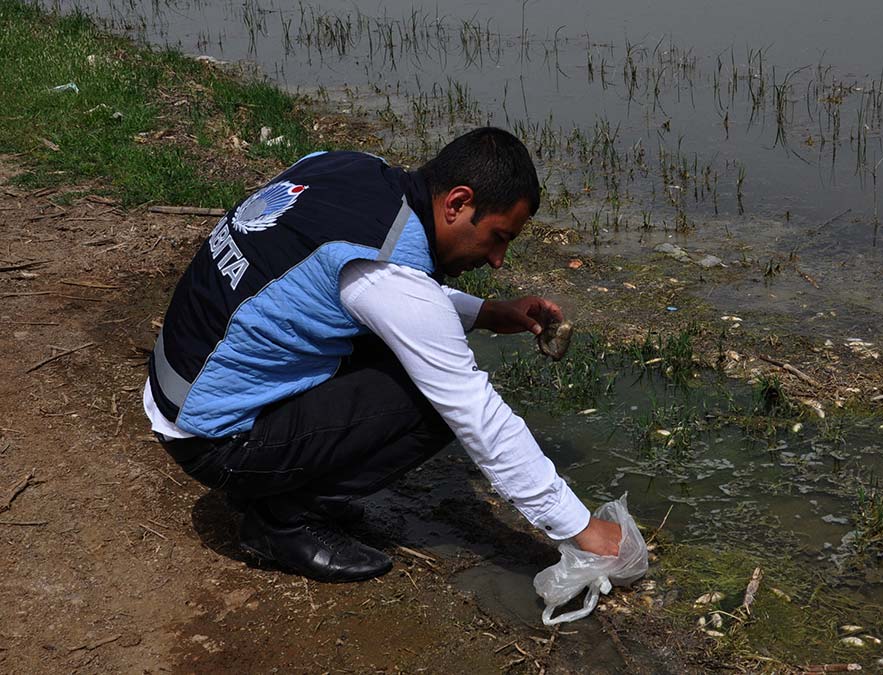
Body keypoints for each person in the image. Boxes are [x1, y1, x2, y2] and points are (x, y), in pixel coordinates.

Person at [143, 127, 622, 582]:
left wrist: (487, 313)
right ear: (458, 203)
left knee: (397, 348)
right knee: (436, 401)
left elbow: (364, 291)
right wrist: (580, 528)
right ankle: (283, 519)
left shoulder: (344, 168)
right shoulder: (387, 269)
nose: (497, 260)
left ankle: (287, 485)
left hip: (183, 389)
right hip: (216, 443)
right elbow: (477, 414)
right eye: (499, 237)